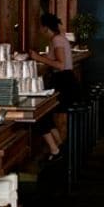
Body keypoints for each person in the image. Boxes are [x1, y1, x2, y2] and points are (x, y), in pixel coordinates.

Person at [30, 12, 80, 159]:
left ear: (45, 27)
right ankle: (59, 148)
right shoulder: (58, 39)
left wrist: (38, 58)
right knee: (44, 115)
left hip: (64, 83)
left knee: (41, 115)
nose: (39, 29)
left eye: (40, 26)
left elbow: (60, 65)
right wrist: (43, 57)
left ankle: (56, 150)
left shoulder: (57, 40)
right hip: (66, 82)